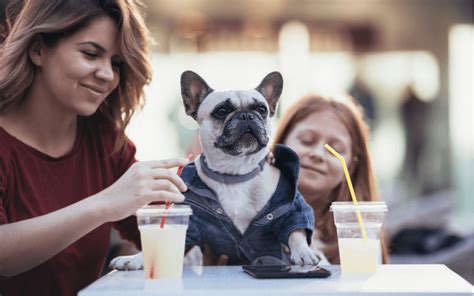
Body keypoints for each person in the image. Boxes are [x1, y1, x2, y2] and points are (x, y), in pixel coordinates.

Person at [0, 1, 188, 295]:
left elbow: (165, 228)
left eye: (116, 63)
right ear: (38, 50)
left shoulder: (105, 144)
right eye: (90, 54)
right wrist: (105, 204)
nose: (107, 75)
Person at [272, 93, 389, 264]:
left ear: (352, 164)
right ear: (282, 142)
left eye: (335, 149)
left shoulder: (360, 234)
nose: (318, 154)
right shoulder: (246, 214)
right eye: (307, 141)